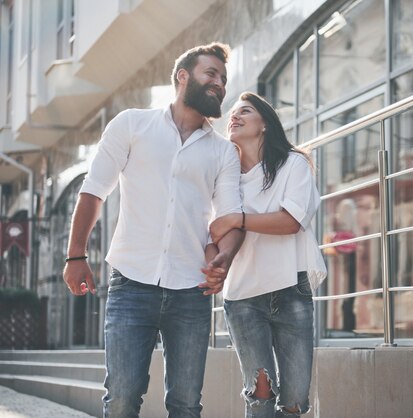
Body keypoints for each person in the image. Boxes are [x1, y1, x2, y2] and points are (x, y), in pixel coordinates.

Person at [62, 43, 244, 418]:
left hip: (191, 291)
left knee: (186, 404)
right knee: (124, 398)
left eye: (223, 79)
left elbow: (229, 218)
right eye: (211, 74)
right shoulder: (132, 124)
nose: (219, 84)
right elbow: (94, 191)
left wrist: (225, 257)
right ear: (182, 77)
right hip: (132, 282)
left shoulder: (223, 152)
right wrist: (75, 254)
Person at [205, 92, 327, 417]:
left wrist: (238, 219)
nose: (235, 116)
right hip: (243, 297)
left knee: (295, 400)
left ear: (264, 125)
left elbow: (291, 221)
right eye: (232, 113)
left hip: (290, 291)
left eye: (244, 111)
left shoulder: (293, 164)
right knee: (260, 392)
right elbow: (214, 232)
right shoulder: (223, 179)